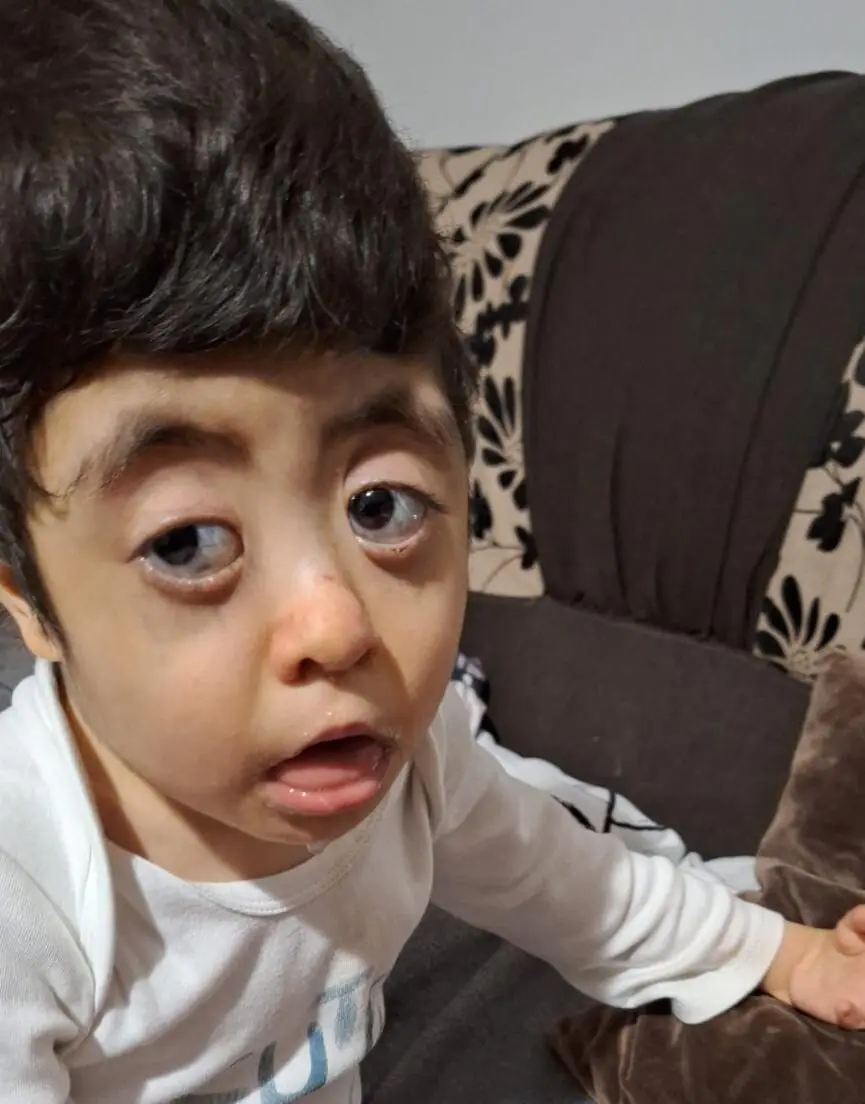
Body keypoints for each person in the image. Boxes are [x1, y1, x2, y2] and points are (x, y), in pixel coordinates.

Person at [0, 1, 862, 1100]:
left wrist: (781, 952)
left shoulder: (420, 762)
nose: (336, 627)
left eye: (380, 507)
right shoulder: (25, 899)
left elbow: (576, 885)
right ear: (29, 601)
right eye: (188, 542)